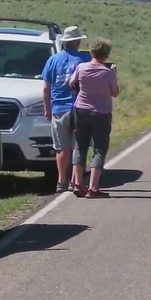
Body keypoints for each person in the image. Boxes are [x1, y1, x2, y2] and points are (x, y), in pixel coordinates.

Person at [42, 26, 92, 193]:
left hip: (59, 107)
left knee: (62, 148)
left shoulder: (53, 60)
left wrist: (47, 108)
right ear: (77, 42)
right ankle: (75, 181)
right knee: (79, 146)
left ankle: (61, 181)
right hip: (80, 107)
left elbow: (46, 88)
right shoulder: (85, 59)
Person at [68, 38, 119, 198]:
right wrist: (114, 75)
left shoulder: (81, 67)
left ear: (92, 52)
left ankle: (77, 183)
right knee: (99, 149)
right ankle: (93, 188)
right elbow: (115, 93)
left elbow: (71, 83)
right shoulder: (107, 72)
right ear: (106, 54)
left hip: (81, 109)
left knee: (80, 146)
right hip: (101, 113)